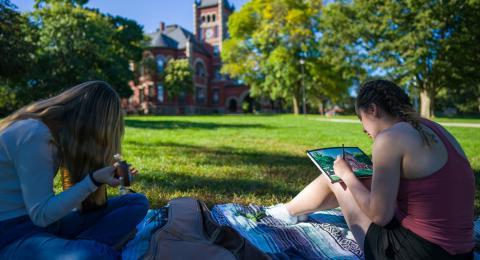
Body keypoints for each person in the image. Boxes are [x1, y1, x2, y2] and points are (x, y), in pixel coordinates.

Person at [266, 79, 475, 259]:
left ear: (373, 110)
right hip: (460, 252)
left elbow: (380, 216)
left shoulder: (390, 138)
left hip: (417, 253)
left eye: (361, 119)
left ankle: (289, 212)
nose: (363, 129)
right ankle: (292, 211)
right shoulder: (432, 128)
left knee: (335, 175)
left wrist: (347, 176)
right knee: (354, 175)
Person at [0, 81, 149, 259]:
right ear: (93, 125)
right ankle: (78, 247)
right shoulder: (34, 134)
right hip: (11, 235)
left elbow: (68, 204)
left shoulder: (56, 135)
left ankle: (69, 247)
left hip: (46, 226)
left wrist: (103, 178)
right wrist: (93, 180)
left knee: (137, 202)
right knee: (94, 254)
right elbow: (42, 215)